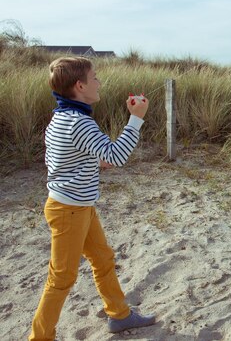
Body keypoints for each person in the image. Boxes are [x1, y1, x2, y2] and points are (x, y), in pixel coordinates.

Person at [29, 57, 156, 340]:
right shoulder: (79, 122)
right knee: (61, 279)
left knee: (102, 259)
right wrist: (137, 118)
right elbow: (118, 156)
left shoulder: (61, 116)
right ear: (80, 85)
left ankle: (120, 315)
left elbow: (58, 158)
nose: (99, 81)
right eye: (94, 77)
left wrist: (94, 162)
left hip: (78, 206)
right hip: (69, 210)